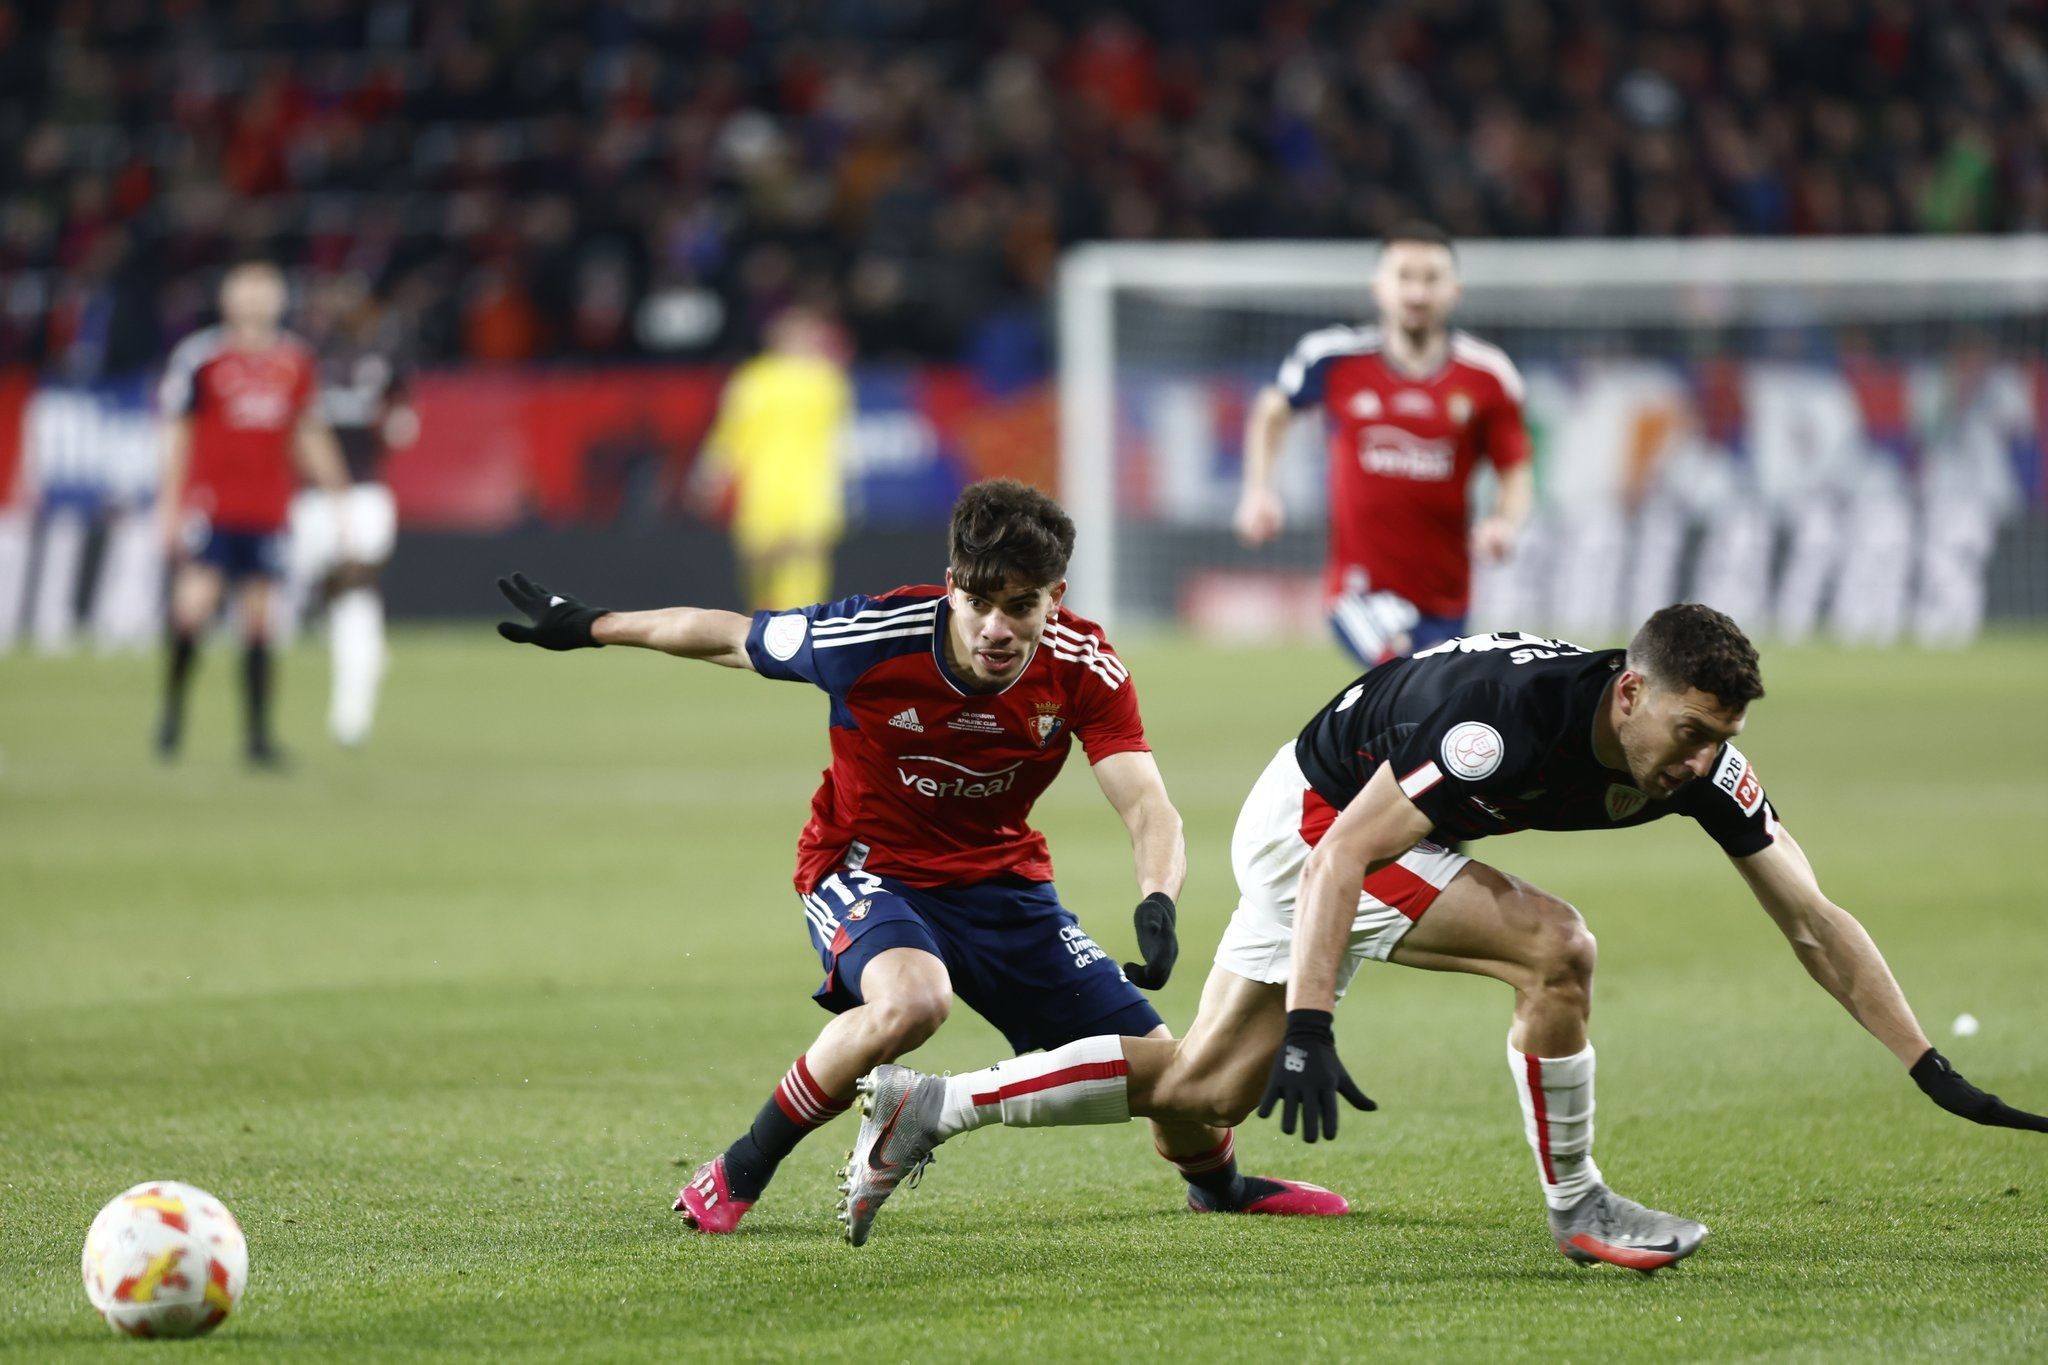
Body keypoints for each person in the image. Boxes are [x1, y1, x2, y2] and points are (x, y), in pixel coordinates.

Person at [838, 605, 2048, 1266]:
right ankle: (1580, 1208)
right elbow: (1343, 852)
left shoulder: (1701, 768)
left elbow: (1812, 921)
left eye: (1713, 741)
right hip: (1321, 817)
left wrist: (1923, 1065)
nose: (1696, 760)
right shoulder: (1502, 730)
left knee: (1200, 1099)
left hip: (1338, 818)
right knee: (1555, 945)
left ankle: (931, 1107)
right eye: (1684, 732)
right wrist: (1311, 1023)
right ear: (1628, 694)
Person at [495, 478, 1342, 1237]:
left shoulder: (1084, 663)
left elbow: (1146, 800)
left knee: (1174, 1072)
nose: (996, 627)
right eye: (979, 601)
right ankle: (738, 1169)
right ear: (951, 585)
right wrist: (592, 626)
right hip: (867, 867)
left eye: (1020, 605)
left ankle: (1219, 1186)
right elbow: (726, 636)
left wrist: (1157, 898)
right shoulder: (872, 634)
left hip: (1007, 885)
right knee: (912, 1003)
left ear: (1056, 596)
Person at [1234, 222, 1534, 667]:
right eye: (1404, 277)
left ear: (1455, 290)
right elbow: (1271, 410)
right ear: (1379, 287)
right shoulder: (1334, 358)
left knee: (1423, 722)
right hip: (1360, 590)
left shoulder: (1487, 375)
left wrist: (1505, 523)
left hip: (1446, 594)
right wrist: (1258, 490)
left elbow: (1516, 469)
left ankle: (1350, 741)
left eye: (1431, 278)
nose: (1416, 293)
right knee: (1407, 679)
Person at [154, 262, 350, 767]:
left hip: (268, 508)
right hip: (212, 504)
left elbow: (308, 431)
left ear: (281, 299)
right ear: (227, 298)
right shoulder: (202, 358)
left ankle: (258, 737)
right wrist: (170, 504)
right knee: (193, 607)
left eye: (265, 291)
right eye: (246, 290)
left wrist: (337, 494)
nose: (256, 300)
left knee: (259, 620)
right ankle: (172, 717)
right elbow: (179, 432)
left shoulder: (295, 361)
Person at [289, 274, 416, 747]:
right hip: (312, 496)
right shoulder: (303, 362)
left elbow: (404, 424)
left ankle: (351, 713)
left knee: (354, 589)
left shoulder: (386, 363)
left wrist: (394, 423)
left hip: (364, 491)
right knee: (308, 586)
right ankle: (365, 654)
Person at [693, 306, 852, 612]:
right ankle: (764, 613)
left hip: (813, 481)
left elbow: (841, 435)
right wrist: (711, 475)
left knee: (806, 551)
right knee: (759, 555)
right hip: (764, 482)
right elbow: (731, 433)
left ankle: (804, 623)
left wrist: (848, 480)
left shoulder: (827, 379)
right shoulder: (754, 379)